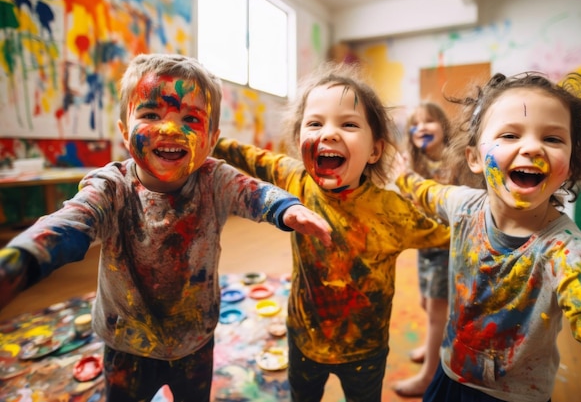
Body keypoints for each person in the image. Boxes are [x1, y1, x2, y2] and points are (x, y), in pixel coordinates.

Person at [0, 53, 333, 402]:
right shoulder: (111, 187)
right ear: (124, 131)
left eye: (190, 118)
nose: (171, 129)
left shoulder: (214, 178)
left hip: (195, 340)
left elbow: (255, 192)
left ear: (211, 138)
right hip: (126, 342)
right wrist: (19, 261)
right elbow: (68, 223)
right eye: (150, 115)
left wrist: (287, 207)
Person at [212, 62, 450, 402]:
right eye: (315, 123)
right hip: (303, 338)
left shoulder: (393, 213)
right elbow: (251, 157)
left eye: (349, 124)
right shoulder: (297, 179)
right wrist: (211, 140)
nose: (329, 133)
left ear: (374, 150)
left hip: (365, 351)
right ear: (298, 141)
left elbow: (450, 234)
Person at [397, 71, 581, 401]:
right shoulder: (463, 206)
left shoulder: (569, 253)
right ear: (475, 158)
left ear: (571, 167)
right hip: (450, 374)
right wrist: (403, 176)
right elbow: (426, 191)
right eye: (510, 135)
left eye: (552, 139)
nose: (532, 147)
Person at [392, 101, 454, 397]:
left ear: (444, 126)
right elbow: (409, 198)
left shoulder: (453, 161)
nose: (422, 128)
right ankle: (434, 344)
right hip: (425, 244)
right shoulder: (415, 163)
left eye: (429, 121)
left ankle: (429, 374)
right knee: (428, 304)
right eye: (415, 124)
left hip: (448, 245)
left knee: (436, 311)